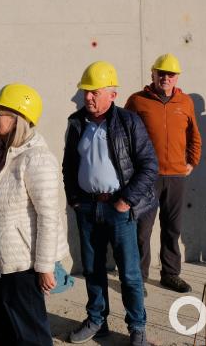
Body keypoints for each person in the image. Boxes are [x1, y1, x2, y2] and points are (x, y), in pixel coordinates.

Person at [0, 83, 69, 346]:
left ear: (18, 117)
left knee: (30, 334)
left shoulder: (37, 158)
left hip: (22, 266)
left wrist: (45, 267)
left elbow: (48, 216)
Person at [63, 61, 158, 346]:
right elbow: (69, 167)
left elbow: (149, 166)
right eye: (85, 92)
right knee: (92, 269)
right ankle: (96, 320)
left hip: (119, 209)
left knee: (129, 273)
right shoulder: (76, 122)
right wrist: (75, 200)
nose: (88, 97)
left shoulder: (129, 122)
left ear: (112, 95)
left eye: (94, 92)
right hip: (87, 209)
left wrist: (126, 201)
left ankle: (137, 326)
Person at [125, 53, 201, 293]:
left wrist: (192, 162)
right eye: (161, 73)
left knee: (172, 228)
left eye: (170, 74)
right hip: (147, 177)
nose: (165, 78)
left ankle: (170, 274)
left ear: (176, 77)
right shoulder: (137, 101)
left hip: (176, 177)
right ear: (153, 74)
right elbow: (124, 136)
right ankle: (139, 279)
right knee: (142, 230)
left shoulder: (185, 102)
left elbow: (194, 135)